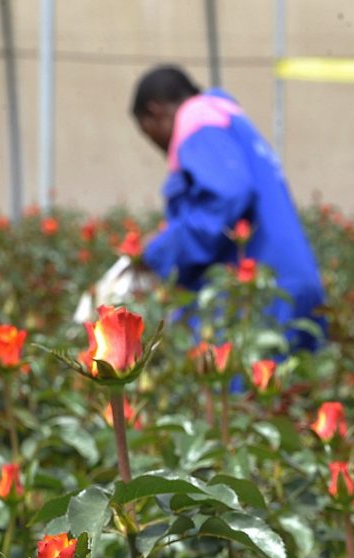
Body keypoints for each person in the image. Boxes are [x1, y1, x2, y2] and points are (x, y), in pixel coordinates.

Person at [131, 65, 325, 351]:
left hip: (259, 297)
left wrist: (157, 251)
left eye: (149, 133)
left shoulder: (198, 122)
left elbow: (227, 194)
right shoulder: (231, 122)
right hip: (298, 283)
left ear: (156, 112)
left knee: (236, 393)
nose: (160, 147)